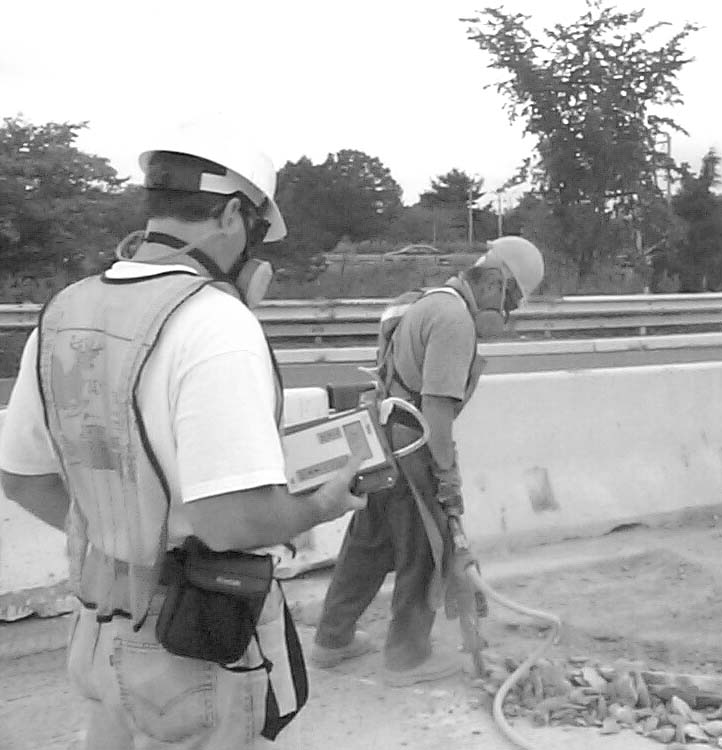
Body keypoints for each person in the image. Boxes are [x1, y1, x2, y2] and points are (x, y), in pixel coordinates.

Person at [0, 126, 367, 749]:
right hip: (188, 643)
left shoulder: (64, 310)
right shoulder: (214, 323)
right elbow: (231, 520)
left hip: (99, 626)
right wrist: (324, 502)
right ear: (230, 215)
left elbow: (20, 475)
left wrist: (120, 537)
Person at [309, 236, 545, 686]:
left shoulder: (428, 302)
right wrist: (446, 475)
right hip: (412, 449)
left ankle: (331, 640)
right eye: (511, 300)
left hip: (383, 439)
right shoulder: (456, 319)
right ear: (496, 284)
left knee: (368, 546)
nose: (508, 314)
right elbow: (437, 408)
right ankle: (408, 656)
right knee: (424, 550)